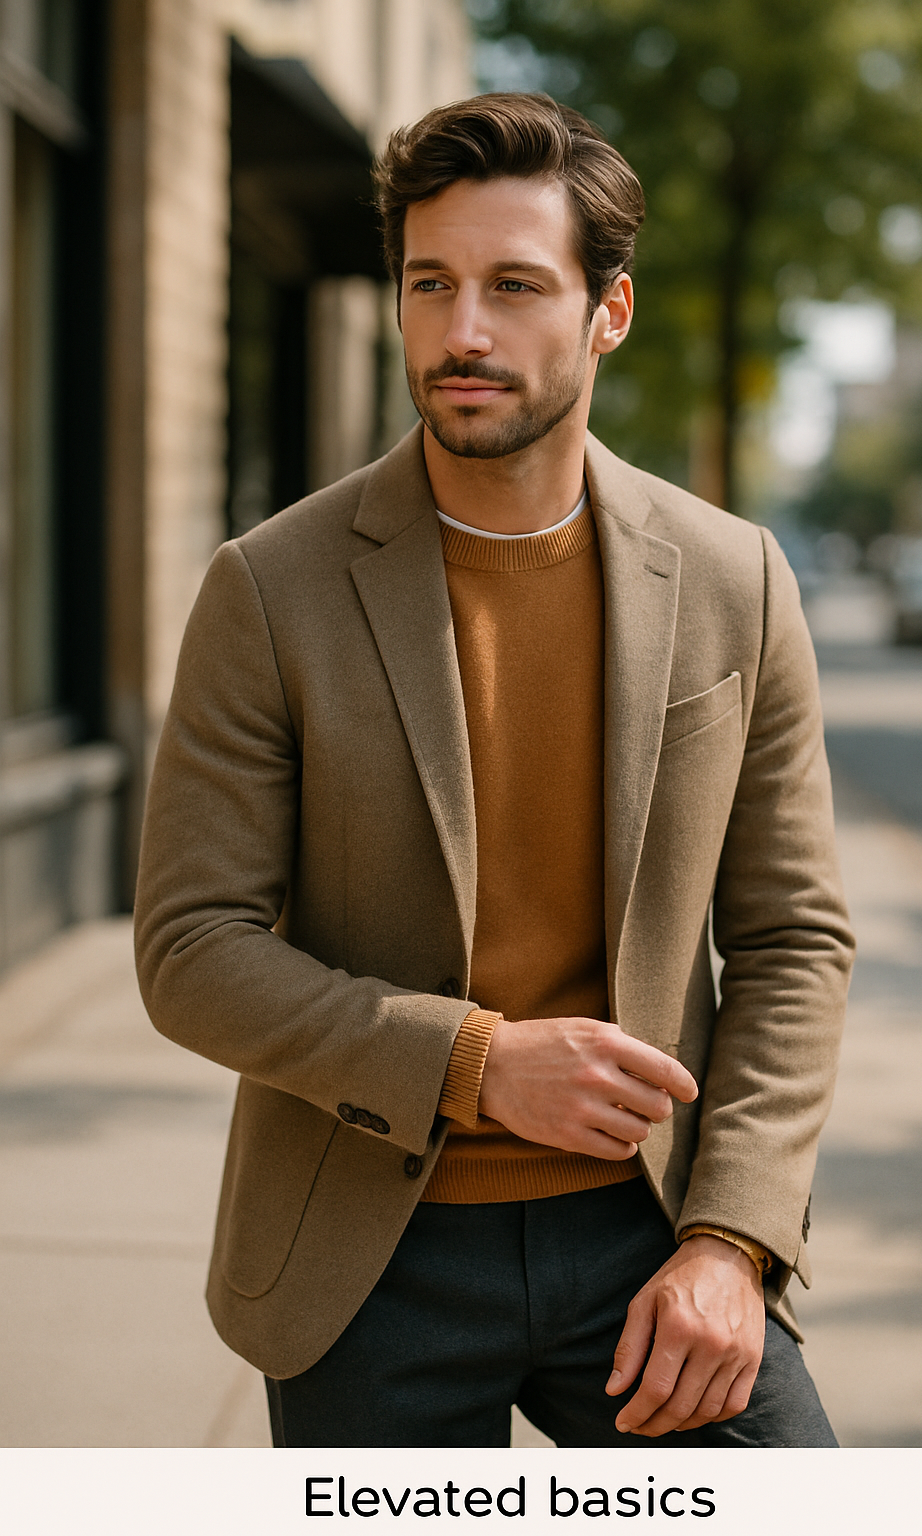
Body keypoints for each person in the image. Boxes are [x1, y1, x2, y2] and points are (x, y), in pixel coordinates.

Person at [134, 93, 854, 1448]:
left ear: (608, 311)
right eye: (432, 285)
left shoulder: (736, 581)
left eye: (515, 286)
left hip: (652, 1230)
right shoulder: (270, 589)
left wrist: (735, 1239)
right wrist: (476, 1062)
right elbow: (191, 949)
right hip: (365, 1260)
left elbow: (792, 937)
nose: (463, 332)